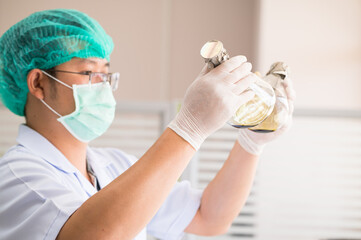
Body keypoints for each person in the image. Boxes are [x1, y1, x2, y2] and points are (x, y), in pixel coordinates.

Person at [0, 9, 295, 240]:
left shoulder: (113, 166)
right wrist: (189, 127)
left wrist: (251, 142)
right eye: (89, 72)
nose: (103, 85)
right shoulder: (16, 178)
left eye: (107, 72)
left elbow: (209, 217)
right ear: (37, 82)